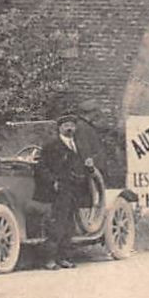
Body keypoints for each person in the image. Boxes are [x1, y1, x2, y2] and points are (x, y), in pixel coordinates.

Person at [38, 114, 95, 270]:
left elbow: (84, 168)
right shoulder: (51, 146)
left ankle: (64, 258)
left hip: (75, 189)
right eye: (66, 126)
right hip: (59, 190)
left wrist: (89, 166)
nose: (69, 128)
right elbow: (41, 167)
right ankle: (50, 260)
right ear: (59, 128)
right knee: (57, 223)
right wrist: (53, 181)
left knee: (70, 224)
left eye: (72, 125)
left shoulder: (78, 145)